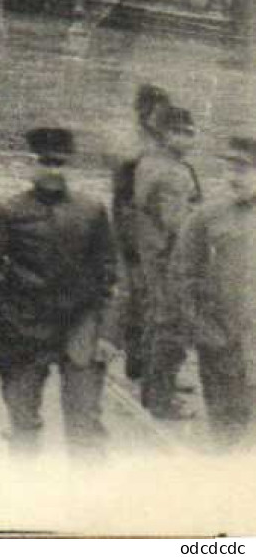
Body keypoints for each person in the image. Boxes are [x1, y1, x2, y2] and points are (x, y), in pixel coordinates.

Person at [0, 127, 116, 456]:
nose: (53, 171)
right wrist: (3, 325)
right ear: (30, 164)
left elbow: (108, 274)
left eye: (60, 164)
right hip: (24, 330)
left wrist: (105, 332)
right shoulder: (9, 213)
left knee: (86, 426)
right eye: (46, 162)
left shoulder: (91, 211)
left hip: (79, 328)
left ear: (69, 167)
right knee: (23, 426)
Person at [170, 136, 256, 449]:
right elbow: (182, 275)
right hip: (222, 343)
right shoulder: (206, 217)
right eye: (229, 168)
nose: (233, 177)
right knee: (225, 430)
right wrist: (201, 328)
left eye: (243, 170)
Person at [134, 104, 203, 420]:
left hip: (151, 256)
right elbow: (179, 226)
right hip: (171, 260)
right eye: (180, 132)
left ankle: (152, 388)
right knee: (173, 327)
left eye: (191, 132)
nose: (188, 139)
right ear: (164, 134)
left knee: (156, 321)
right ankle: (161, 400)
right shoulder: (174, 173)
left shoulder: (148, 163)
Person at [111, 84, 172, 382]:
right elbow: (127, 197)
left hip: (141, 229)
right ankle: (139, 364)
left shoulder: (144, 143)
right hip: (135, 230)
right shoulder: (137, 147)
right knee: (141, 295)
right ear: (146, 112)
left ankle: (140, 363)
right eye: (159, 112)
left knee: (144, 295)